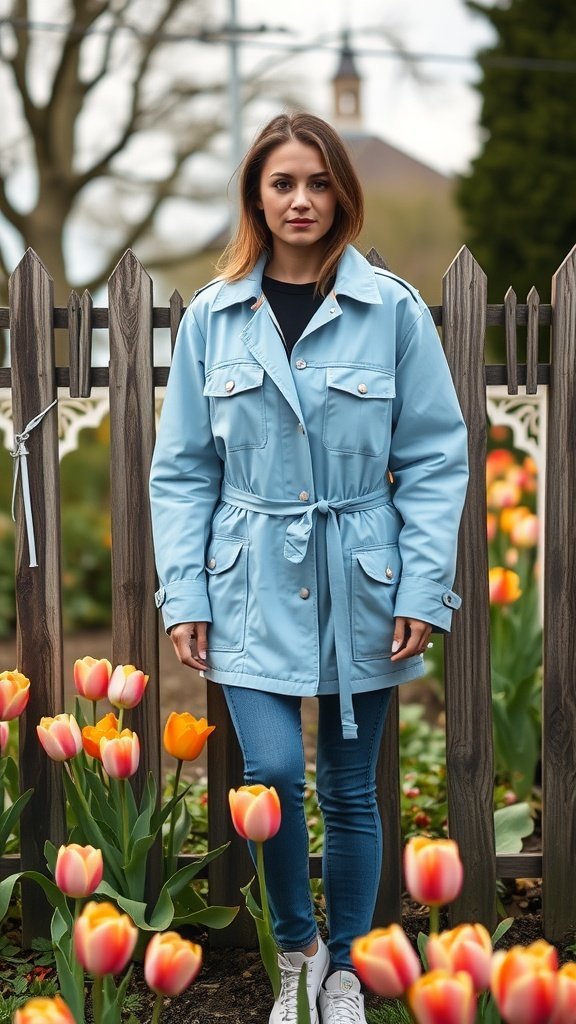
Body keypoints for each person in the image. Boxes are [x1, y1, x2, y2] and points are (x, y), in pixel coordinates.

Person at [149, 112, 468, 1024]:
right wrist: (185, 591)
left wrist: (420, 588)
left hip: (363, 582)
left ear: (343, 195)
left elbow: (436, 459)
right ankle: (299, 951)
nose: (302, 200)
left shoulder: (391, 310)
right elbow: (182, 471)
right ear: (257, 194)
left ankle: (348, 973)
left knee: (351, 787)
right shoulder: (214, 317)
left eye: (319, 183)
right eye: (283, 182)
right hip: (248, 580)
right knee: (275, 772)